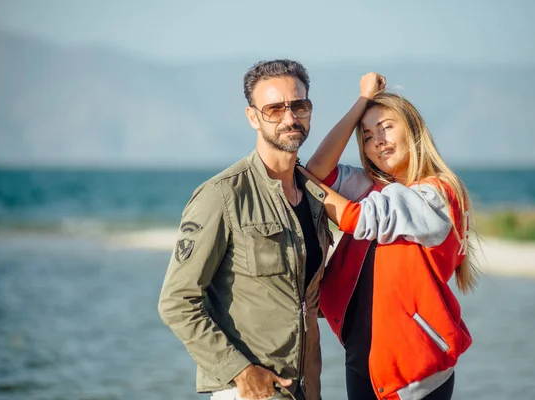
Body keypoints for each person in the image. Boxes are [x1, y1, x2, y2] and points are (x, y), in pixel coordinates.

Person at [158, 60, 333, 400]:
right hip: (249, 392)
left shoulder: (314, 197)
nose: (290, 118)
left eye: (299, 106)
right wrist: (239, 371)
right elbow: (177, 301)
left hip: (306, 391)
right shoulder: (221, 195)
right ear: (253, 117)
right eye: (274, 109)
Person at [303, 73, 480, 400]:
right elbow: (319, 170)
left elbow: (357, 217)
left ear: (412, 129)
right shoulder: (378, 189)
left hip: (412, 370)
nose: (378, 140)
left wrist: (300, 181)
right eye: (367, 136)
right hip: (364, 359)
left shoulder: (437, 194)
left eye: (385, 127)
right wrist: (361, 102)